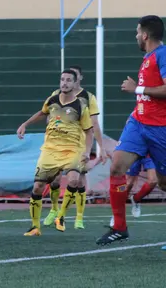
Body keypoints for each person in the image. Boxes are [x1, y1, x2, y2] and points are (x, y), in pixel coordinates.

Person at [97, 15, 166, 245]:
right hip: (138, 122)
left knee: (163, 183)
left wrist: (137, 88)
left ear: (145, 35)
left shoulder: (162, 54)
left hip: (160, 128)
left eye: (137, 32)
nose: (136, 36)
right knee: (117, 167)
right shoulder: (148, 57)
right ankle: (119, 227)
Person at [18, 64, 107, 230]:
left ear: (78, 80)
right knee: (53, 181)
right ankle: (53, 210)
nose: (65, 82)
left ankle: (74, 217)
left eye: (71, 78)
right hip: (52, 147)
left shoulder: (87, 99)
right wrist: (27, 124)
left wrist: (99, 148)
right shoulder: (54, 97)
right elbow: (47, 113)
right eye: (63, 79)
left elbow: (93, 124)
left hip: (76, 145)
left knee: (77, 180)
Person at [109, 156, 157, 227]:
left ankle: (136, 199)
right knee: (128, 184)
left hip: (150, 153)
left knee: (153, 181)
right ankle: (117, 214)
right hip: (136, 151)